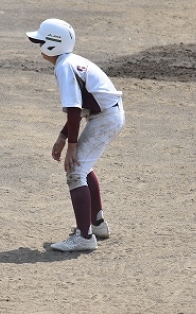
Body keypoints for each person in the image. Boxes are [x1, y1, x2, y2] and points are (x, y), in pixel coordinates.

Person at [26, 19, 125, 252]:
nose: (38, 46)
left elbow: (73, 108)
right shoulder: (70, 61)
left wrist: (71, 146)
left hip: (106, 119)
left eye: (40, 41)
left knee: (75, 170)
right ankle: (96, 225)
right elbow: (78, 107)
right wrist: (63, 137)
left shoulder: (64, 66)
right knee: (83, 167)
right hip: (108, 115)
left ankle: (85, 237)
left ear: (53, 44)